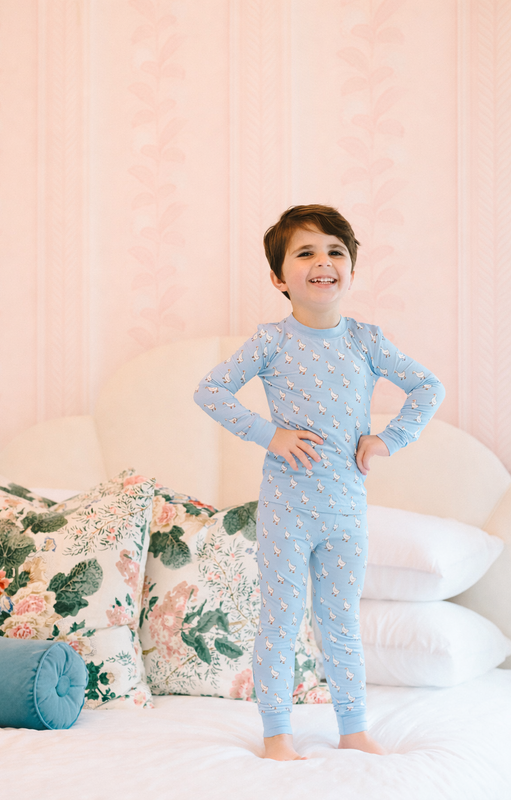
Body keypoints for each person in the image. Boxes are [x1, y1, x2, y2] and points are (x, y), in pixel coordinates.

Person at [193, 204, 446, 760]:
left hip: (345, 509)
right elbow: (210, 392)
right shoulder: (270, 341)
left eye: (335, 251)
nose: (322, 262)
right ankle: (277, 735)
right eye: (305, 252)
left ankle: (353, 729)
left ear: (350, 269)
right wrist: (269, 433)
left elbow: (428, 388)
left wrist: (388, 438)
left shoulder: (366, 340)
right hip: (286, 506)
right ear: (280, 278)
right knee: (280, 620)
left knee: (340, 622)